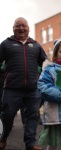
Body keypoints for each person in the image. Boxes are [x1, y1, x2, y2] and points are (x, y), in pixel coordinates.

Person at [0, 17, 46, 150]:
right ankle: (3, 137)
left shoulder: (36, 45)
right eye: (17, 26)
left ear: (28, 28)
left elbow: (46, 64)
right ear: (13, 29)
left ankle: (30, 144)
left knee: (32, 116)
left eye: (24, 26)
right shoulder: (6, 44)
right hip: (11, 88)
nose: (21, 28)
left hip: (33, 89)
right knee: (7, 115)